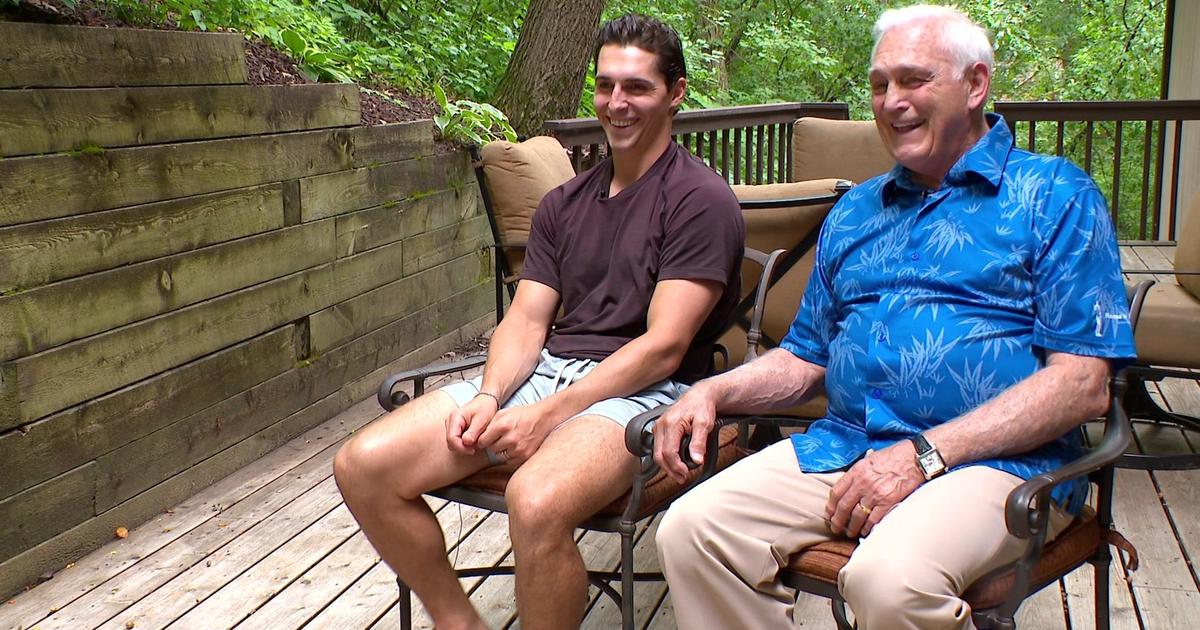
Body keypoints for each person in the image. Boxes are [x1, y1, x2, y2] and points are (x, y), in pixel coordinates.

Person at [652, 5, 1136, 629]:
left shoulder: (1055, 196)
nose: (891, 101)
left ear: (976, 85)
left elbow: (1082, 384)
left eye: (914, 80)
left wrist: (924, 455)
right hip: (849, 447)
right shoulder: (855, 212)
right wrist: (711, 390)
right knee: (693, 529)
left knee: (889, 580)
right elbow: (805, 358)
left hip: (1001, 465)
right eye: (880, 84)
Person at [333, 13, 744, 630]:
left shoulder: (700, 201)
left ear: (676, 92)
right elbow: (526, 318)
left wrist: (547, 416)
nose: (616, 103)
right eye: (605, 86)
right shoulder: (564, 203)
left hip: (645, 395)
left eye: (637, 87)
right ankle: (458, 621)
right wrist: (493, 396)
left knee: (536, 499)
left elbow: (663, 348)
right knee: (362, 465)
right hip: (549, 373)